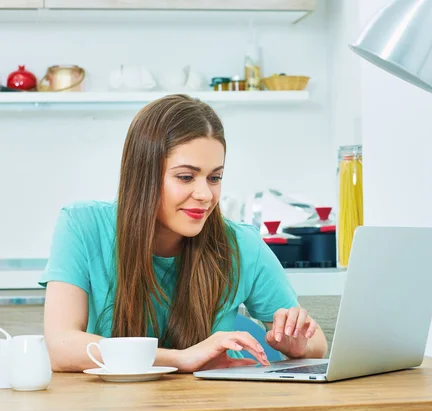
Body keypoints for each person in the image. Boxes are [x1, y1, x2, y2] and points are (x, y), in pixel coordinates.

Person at [40, 94, 328, 372]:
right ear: (143, 176)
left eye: (215, 178)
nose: (205, 194)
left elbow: (316, 344)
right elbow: (62, 348)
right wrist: (180, 359)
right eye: (186, 177)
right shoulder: (82, 225)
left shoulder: (241, 244)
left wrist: (297, 343)